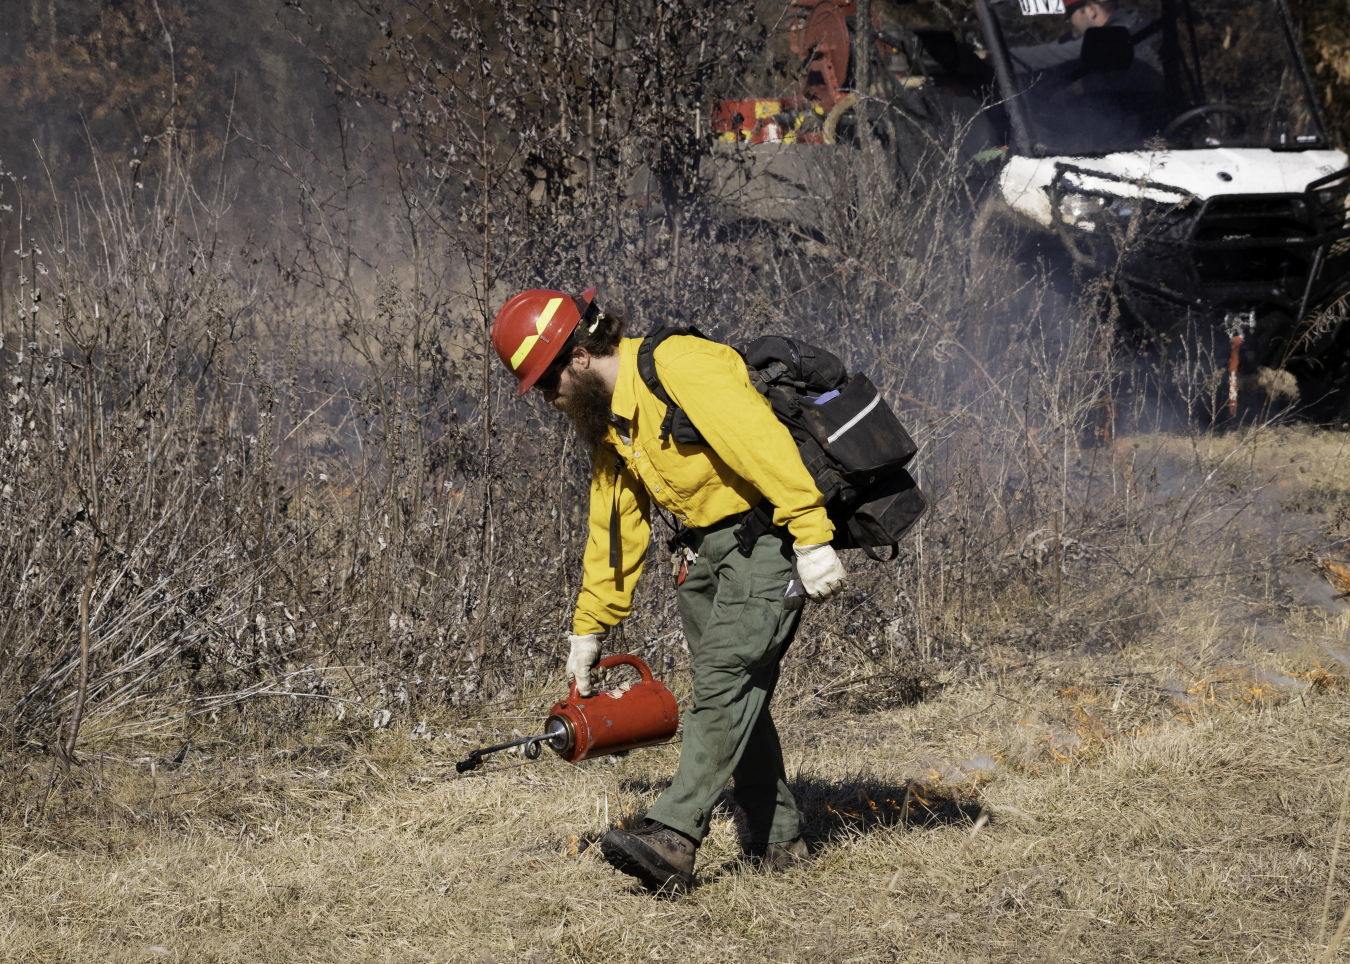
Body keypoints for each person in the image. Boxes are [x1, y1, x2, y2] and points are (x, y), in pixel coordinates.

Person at [492, 286, 848, 893]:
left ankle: (675, 836)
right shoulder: (613, 420)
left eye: (547, 382)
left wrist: (812, 534)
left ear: (577, 355)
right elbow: (613, 526)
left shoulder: (679, 366)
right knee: (740, 694)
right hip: (706, 554)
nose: (548, 399)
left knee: (722, 678)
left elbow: (763, 444)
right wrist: (589, 627)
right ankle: (779, 838)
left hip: (770, 538)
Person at [1010, 0, 1159, 74]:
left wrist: (994, 57)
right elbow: (1059, 46)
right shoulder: (1132, 26)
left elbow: (1046, 55)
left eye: (1069, 13)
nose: (1067, 20)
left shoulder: (1113, 36)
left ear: (1091, 9)